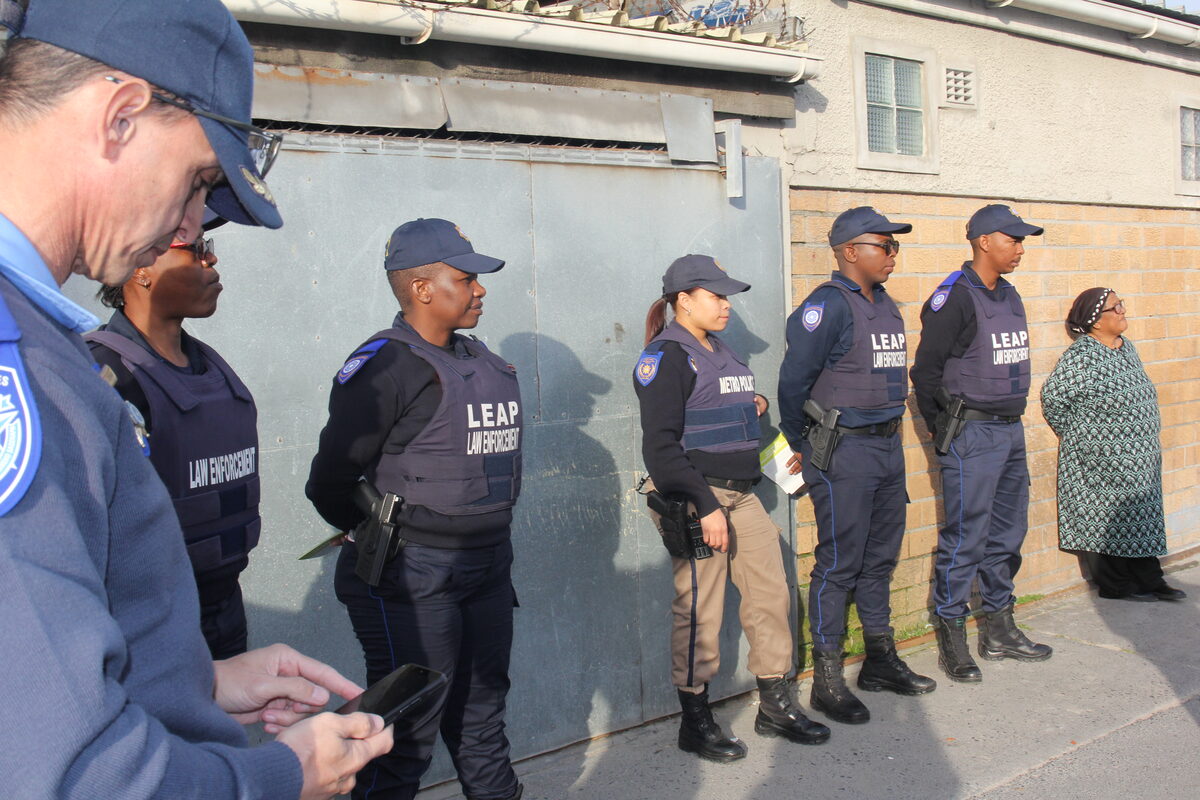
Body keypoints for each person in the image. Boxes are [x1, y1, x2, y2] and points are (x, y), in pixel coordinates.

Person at [0, 1, 393, 797]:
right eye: (198, 182)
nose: (188, 223)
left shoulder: (40, 343)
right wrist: (284, 775)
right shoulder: (18, 367)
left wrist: (198, 681)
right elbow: (72, 776)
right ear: (119, 115)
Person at [306, 218, 524, 800]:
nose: (480, 289)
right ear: (423, 288)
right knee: (402, 735)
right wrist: (383, 530)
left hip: (485, 565)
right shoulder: (386, 365)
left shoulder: (479, 361)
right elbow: (329, 480)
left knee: (482, 716)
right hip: (413, 573)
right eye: (466, 277)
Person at [634, 254, 830, 763]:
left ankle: (774, 703)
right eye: (716, 296)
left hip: (741, 495)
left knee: (770, 593)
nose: (726, 305)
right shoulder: (666, 357)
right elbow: (659, 447)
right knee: (699, 610)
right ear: (684, 300)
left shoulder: (718, 349)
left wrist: (753, 404)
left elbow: (712, 405)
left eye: (727, 296)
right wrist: (704, 506)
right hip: (700, 498)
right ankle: (696, 720)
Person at [777, 207, 936, 726]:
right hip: (844, 452)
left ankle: (880, 658)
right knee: (840, 561)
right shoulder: (826, 307)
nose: (893, 255)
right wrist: (807, 444)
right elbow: (792, 384)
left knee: (880, 557)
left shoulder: (885, 305)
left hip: (887, 449)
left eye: (895, 247)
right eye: (884, 246)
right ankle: (827, 678)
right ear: (850, 251)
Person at [87, 234, 261, 659]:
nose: (212, 259)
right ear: (140, 266)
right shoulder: (104, 374)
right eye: (196, 250)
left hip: (223, 608)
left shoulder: (213, 367)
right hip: (149, 625)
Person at [911, 204, 1053, 684]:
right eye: (1013, 239)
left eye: (1021, 240)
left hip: (1009, 430)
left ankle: (999, 628)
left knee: (1008, 532)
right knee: (966, 534)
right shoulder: (953, 297)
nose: (1020, 247)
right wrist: (943, 430)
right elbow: (925, 371)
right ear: (984, 241)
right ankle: (952, 637)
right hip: (971, 431)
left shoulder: (1009, 294)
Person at [1040, 288, 1186, 603]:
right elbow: (1054, 398)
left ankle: (1150, 579)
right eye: (1114, 307)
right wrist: (1085, 437)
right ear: (1094, 321)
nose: (1122, 310)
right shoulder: (1082, 355)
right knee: (1106, 519)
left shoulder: (1126, 347)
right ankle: (1116, 585)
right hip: (1101, 461)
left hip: (1140, 458)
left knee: (1142, 516)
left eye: (1120, 304)